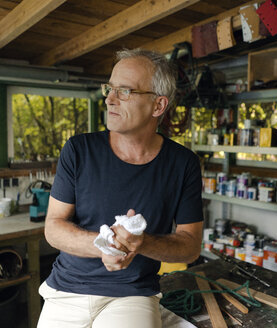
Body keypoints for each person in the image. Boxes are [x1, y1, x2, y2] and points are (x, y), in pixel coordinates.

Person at [37, 48, 203, 328]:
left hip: (132, 294)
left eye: (124, 91)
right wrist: (105, 247)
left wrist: (142, 243)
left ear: (158, 106)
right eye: (110, 88)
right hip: (67, 289)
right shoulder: (79, 150)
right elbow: (53, 228)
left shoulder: (183, 163)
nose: (109, 99)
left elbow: (190, 247)